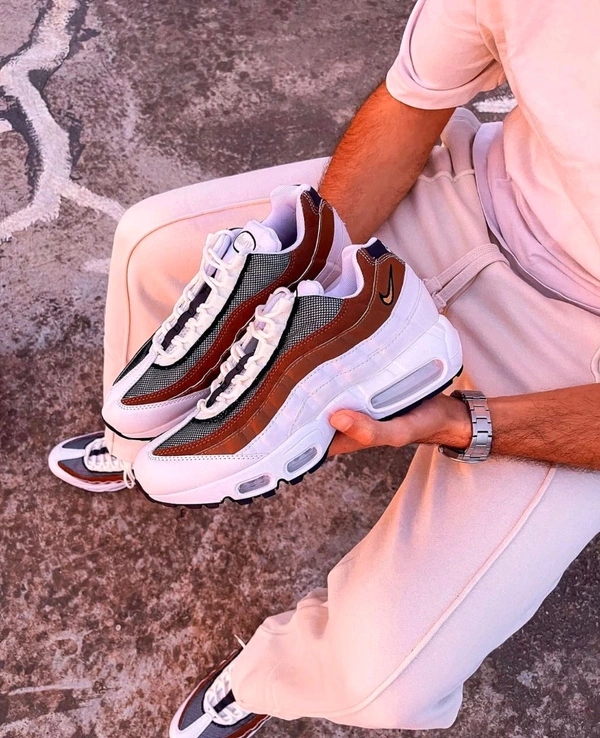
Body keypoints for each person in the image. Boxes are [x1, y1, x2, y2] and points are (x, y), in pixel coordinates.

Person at [49, 0, 600, 732]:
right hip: (473, 192)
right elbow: (411, 106)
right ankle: (141, 443)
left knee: (387, 681)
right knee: (153, 242)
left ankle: (269, 678)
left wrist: (454, 423)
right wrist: (306, 273)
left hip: (578, 357)